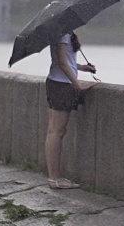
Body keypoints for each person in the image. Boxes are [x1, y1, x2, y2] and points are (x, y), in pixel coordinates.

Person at [44, 31, 96, 189]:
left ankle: (54, 177)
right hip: (62, 85)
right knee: (56, 132)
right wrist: (77, 84)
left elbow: (68, 61)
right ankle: (55, 178)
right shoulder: (63, 34)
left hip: (55, 82)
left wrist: (83, 68)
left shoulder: (60, 32)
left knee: (53, 131)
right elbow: (62, 62)